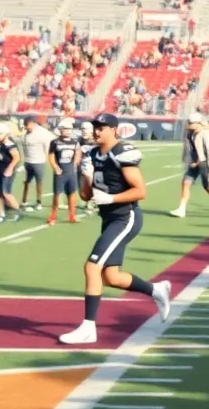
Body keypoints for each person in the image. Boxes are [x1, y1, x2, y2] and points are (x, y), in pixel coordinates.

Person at [59, 113, 171, 345]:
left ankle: (88, 328)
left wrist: (111, 198)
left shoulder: (121, 152)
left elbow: (140, 191)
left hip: (125, 217)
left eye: (102, 127)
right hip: (109, 218)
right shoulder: (92, 154)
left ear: (113, 129)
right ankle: (156, 290)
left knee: (92, 267)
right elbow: (85, 195)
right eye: (95, 127)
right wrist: (86, 176)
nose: (97, 131)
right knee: (111, 277)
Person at [171, 112, 209, 218]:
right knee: (186, 182)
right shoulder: (191, 133)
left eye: (192, 123)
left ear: (199, 123)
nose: (189, 125)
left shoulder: (206, 133)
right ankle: (182, 208)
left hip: (204, 162)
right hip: (194, 162)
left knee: (208, 186)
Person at [47, 117, 82, 225]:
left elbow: (78, 152)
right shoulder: (55, 142)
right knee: (57, 194)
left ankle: (72, 216)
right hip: (60, 172)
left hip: (71, 171)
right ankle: (53, 216)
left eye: (69, 129)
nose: (67, 131)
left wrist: (75, 164)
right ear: (60, 129)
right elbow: (51, 156)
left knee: (72, 194)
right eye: (65, 129)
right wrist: (55, 167)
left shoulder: (74, 141)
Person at [21, 116, 52, 212]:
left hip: (39, 162)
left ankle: (39, 202)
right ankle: (24, 200)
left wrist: (48, 158)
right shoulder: (25, 134)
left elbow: (47, 145)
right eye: (26, 126)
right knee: (27, 182)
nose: (28, 127)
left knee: (39, 182)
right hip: (28, 161)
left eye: (29, 125)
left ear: (34, 124)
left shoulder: (42, 133)